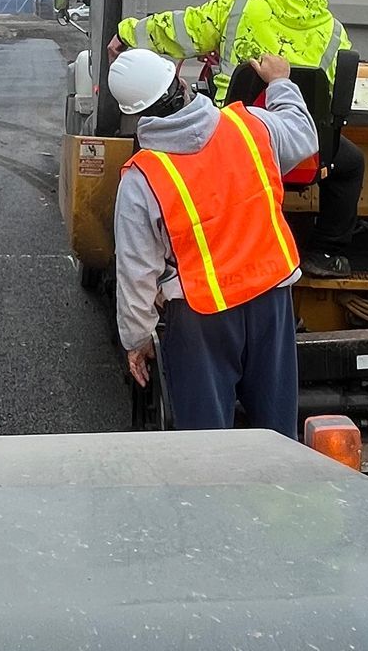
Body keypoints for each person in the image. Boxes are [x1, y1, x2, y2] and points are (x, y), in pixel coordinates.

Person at [110, 0, 363, 274]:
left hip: (229, 142)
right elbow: (327, 98)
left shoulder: (239, 3)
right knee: (352, 164)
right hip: (294, 150)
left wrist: (128, 33)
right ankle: (326, 254)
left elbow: (182, 31)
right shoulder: (335, 34)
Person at [109, 45, 318, 436]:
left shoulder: (142, 178)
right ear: (181, 82)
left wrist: (137, 339)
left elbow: (136, 271)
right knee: (278, 439)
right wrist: (281, 83)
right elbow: (303, 137)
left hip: (200, 317)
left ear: (135, 114)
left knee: (205, 448)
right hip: (270, 301)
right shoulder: (251, 126)